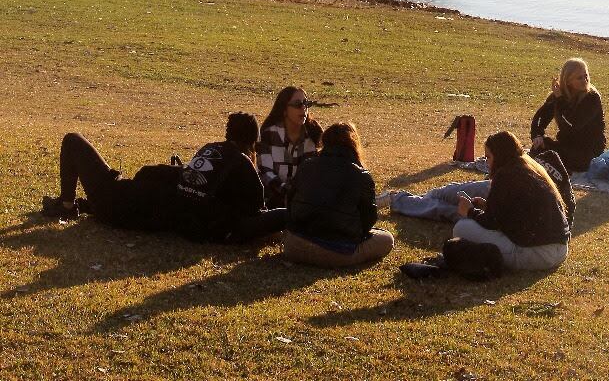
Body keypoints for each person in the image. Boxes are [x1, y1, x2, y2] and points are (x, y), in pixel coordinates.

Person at [42, 113, 289, 243]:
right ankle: (74, 206)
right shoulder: (234, 176)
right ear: (252, 143)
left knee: (73, 139)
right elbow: (258, 211)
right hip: (125, 210)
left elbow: (148, 173)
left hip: (114, 199)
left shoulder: (209, 151)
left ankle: (66, 205)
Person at [451, 131, 570, 272]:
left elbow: (492, 223)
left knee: (462, 227)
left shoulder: (505, 175)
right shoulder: (532, 170)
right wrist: (487, 206)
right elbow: (520, 214)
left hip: (537, 255)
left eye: (488, 157)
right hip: (561, 251)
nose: (487, 162)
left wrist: (470, 211)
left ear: (499, 155)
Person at [283, 122, 394, 267]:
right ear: (354, 145)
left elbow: (290, 204)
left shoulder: (306, 166)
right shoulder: (360, 175)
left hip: (294, 246)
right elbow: (368, 219)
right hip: (338, 251)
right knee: (386, 238)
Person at [530, 58, 606, 171]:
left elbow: (574, 123)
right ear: (568, 81)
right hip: (566, 144)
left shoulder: (592, 98)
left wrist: (560, 100)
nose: (585, 80)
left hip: (587, 149)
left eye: (586, 75)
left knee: (563, 159)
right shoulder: (559, 95)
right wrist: (537, 135)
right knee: (538, 148)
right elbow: (541, 117)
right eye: (579, 78)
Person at [256, 86, 323, 208]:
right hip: (272, 202)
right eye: (298, 104)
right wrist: (288, 193)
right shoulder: (268, 134)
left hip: (305, 203)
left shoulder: (314, 135)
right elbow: (265, 173)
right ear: (284, 110)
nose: (303, 108)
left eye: (306, 104)